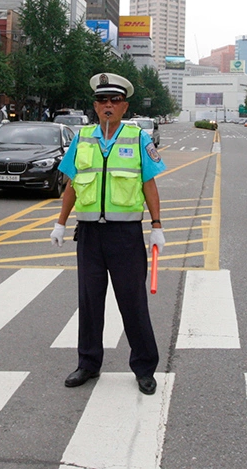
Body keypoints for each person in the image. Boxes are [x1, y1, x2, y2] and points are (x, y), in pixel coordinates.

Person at [50, 72, 165, 395]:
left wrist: (157, 226)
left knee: (133, 302)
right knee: (89, 301)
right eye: (102, 100)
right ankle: (88, 363)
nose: (108, 105)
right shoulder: (83, 137)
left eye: (115, 100)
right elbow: (72, 183)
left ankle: (144, 367)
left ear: (124, 106)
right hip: (88, 235)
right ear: (95, 106)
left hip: (126, 235)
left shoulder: (138, 137)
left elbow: (148, 183)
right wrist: (61, 221)